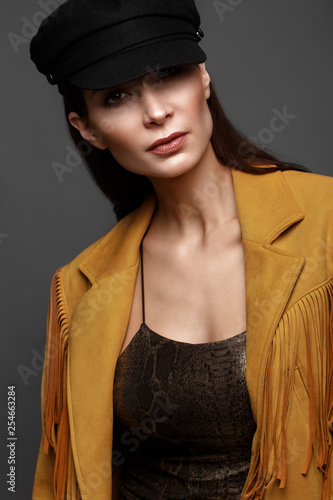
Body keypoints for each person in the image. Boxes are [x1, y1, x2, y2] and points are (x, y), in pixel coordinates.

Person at [30, 0, 333, 499]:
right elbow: (56, 475)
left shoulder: (323, 224)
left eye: (170, 74)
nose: (156, 112)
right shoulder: (82, 285)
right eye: (117, 96)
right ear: (87, 129)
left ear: (204, 79)